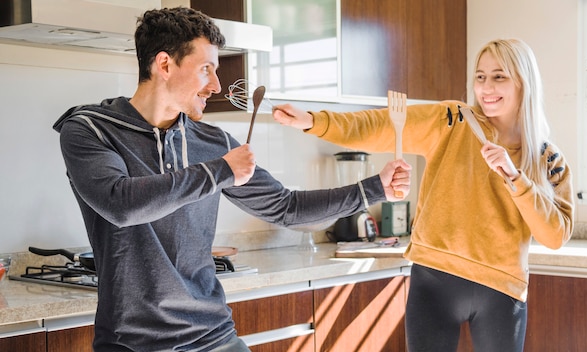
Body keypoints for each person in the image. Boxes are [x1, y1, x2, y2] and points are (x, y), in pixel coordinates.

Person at [52, 7, 411, 352]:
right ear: (165, 64)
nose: (217, 85)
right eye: (206, 68)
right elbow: (121, 204)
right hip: (133, 343)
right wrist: (221, 170)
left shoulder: (213, 143)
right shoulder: (90, 130)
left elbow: (287, 207)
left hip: (215, 336)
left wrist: (374, 188)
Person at [273, 38, 574, 351]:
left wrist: (515, 177)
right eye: (480, 76)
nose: (486, 87)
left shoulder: (548, 159)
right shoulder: (452, 120)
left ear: (524, 83)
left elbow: (555, 236)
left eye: (499, 76)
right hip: (434, 280)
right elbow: (378, 125)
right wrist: (314, 121)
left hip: (503, 289)